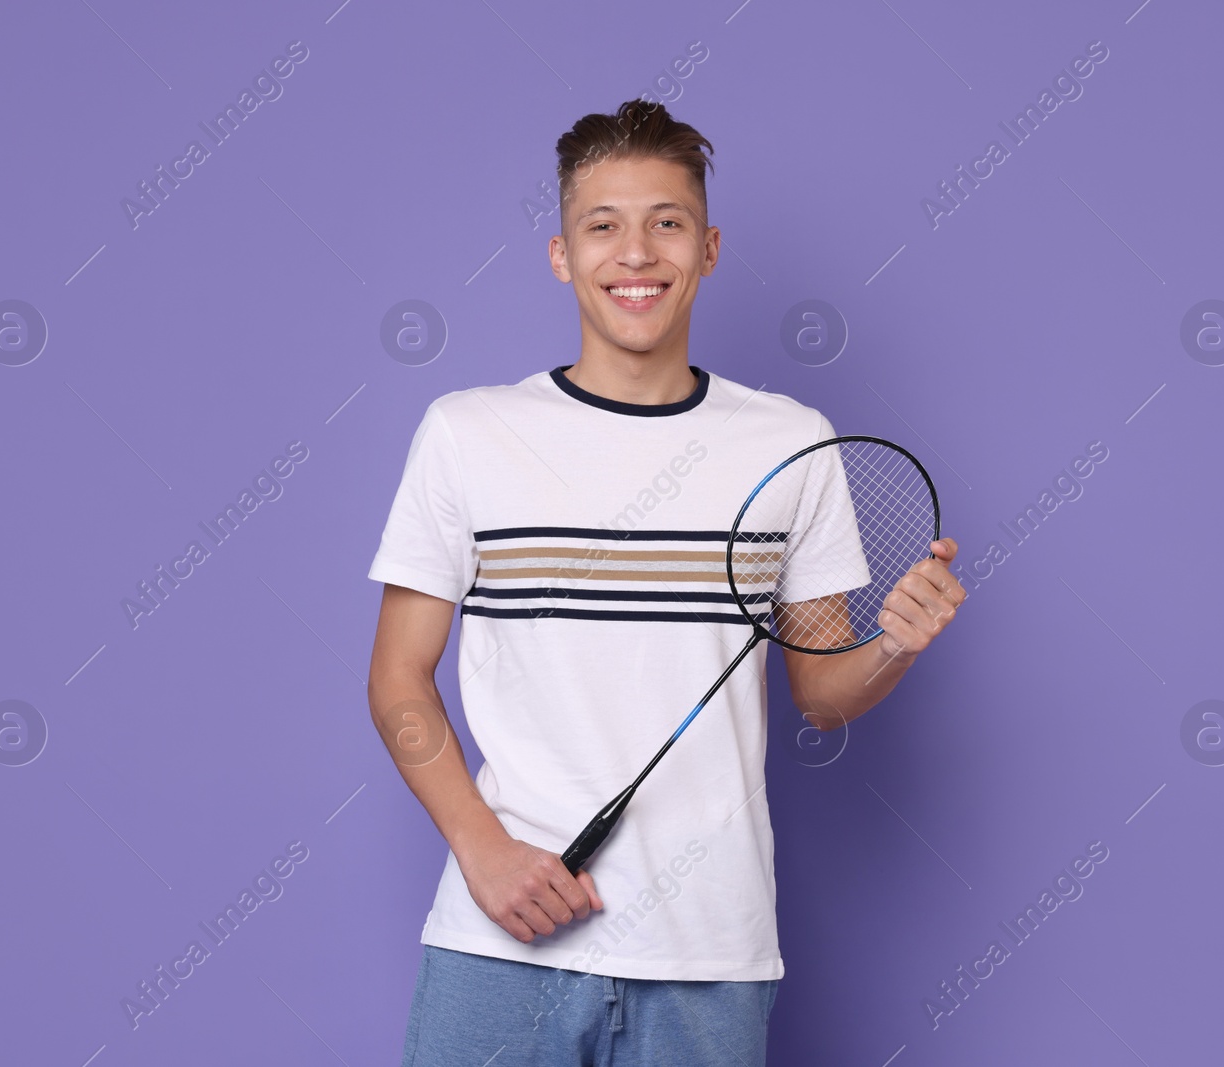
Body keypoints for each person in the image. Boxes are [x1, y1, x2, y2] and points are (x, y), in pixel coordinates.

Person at [367, 98, 967, 1066]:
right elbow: (397, 678)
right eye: (602, 225)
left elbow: (821, 689)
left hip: (708, 950)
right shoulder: (467, 432)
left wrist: (893, 638)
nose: (635, 252)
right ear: (561, 253)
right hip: (501, 937)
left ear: (709, 247)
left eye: (666, 222)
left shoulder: (790, 440)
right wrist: (482, 847)